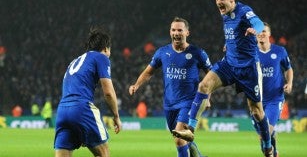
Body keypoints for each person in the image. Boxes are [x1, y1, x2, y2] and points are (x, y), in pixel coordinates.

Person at [172, 0, 274, 157]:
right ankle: (190, 129)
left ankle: (267, 145)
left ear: (232, 0)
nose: (218, 2)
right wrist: (230, 44)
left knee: (257, 111)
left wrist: (254, 29)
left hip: (248, 69)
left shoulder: (243, 10)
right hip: (229, 64)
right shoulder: (225, 14)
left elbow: (257, 23)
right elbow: (234, 33)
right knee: (204, 86)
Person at [129, 17, 212, 157]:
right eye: (173, 30)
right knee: (183, 140)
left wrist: (207, 98)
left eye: (180, 30)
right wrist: (136, 85)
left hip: (189, 102)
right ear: (170, 32)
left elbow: (212, 76)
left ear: (187, 33)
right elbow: (149, 72)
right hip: (169, 104)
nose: (176, 33)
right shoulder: (162, 52)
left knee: (179, 139)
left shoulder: (198, 53)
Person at [54, 26, 122, 157]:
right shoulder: (101, 57)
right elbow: (108, 92)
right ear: (106, 48)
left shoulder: (75, 61)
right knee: (104, 154)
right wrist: (116, 116)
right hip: (81, 108)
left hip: (62, 111)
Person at [253, 22, 293, 157]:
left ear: (269, 34)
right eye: (259, 31)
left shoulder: (279, 51)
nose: (261, 33)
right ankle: (273, 152)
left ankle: (272, 151)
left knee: (267, 132)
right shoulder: (251, 52)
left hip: (274, 99)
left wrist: (290, 83)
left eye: (264, 31)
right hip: (255, 101)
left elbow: (288, 68)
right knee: (262, 139)